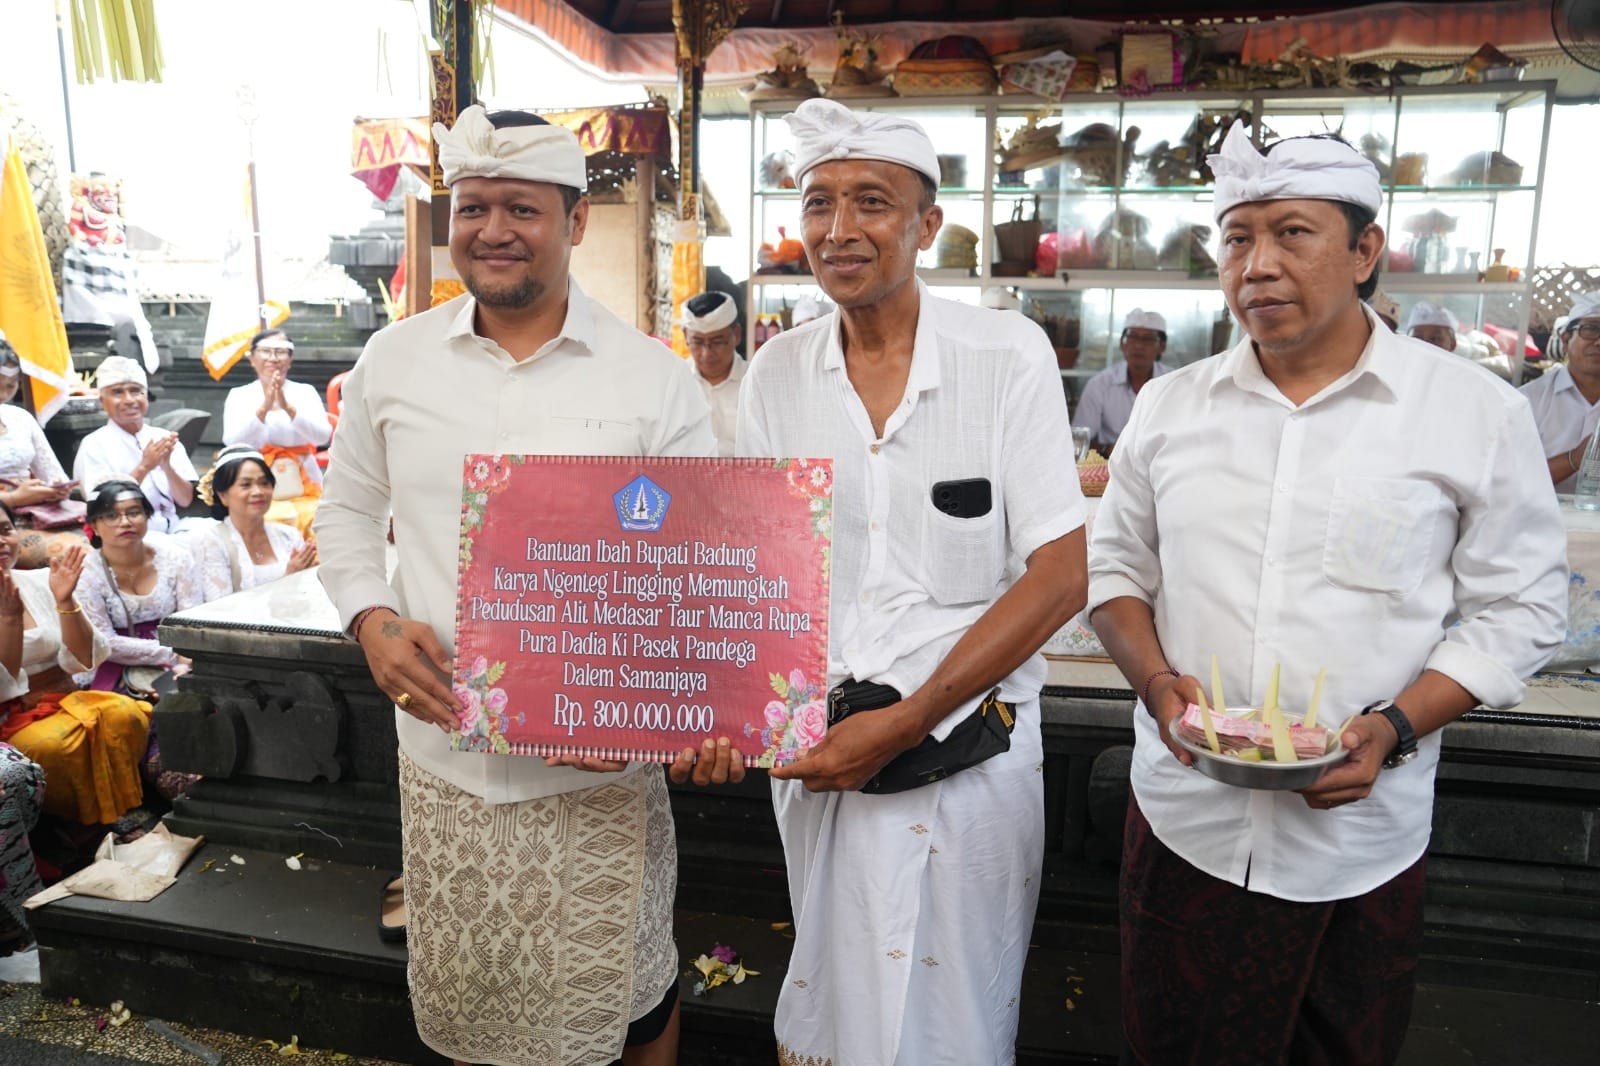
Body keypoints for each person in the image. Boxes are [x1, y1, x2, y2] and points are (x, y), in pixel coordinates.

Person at [1087, 124, 1567, 1065]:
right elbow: (1116, 572)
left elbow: (1524, 606)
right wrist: (1154, 685)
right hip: (1187, 821)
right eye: (1237, 238)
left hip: (1362, 843)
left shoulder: (1472, 412)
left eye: (1293, 234)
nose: (1258, 265)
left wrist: (1395, 725)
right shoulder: (1170, 407)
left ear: (1365, 251)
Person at [315, 105, 738, 1066]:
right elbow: (343, 517)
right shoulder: (395, 360)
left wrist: (685, 714)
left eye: (521, 208)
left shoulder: (652, 379)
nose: (493, 230)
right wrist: (372, 620)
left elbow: (702, 574)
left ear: (575, 221)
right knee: (474, 1014)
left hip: (601, 776)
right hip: (445, 762)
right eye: (471, 208)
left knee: (629, 1000)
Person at [735, 98, 1088, 1066]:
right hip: (822, 740)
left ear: (926, 225)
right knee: (835, 990)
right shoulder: (777, 374)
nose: (838, 229)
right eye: (817, 203)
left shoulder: (1001, 353)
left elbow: (1060, 577)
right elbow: (761, 573)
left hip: (968, 748)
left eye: (871, 202)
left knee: (952, 1010)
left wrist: (908, 716)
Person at [0, 499, 152, 828]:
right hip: (10, 714)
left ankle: (120, 814)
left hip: (66, 696)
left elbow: (84, 659)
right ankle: (82, 828)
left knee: (124, 714)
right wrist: (9, 621)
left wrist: (65, 600)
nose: (2, 541)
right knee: (54, 745)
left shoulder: (43, 580)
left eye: (6, 530)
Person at [72, 480, 205, 693]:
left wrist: (184, 661)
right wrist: (171, 652)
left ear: (147, 516)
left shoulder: (176, 558)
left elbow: (191, 620)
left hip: (183, 656)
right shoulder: (86, 572)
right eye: (112, 516)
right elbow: (105, 641)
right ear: (94, 525)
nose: (125, 522)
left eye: (134, 512)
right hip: (113, 662)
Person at [221, 328, 332, 536]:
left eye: (280, 352)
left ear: (290, 360)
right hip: (255, 475)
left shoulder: (304, 392)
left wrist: (288, 408)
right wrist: (263, 410)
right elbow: (231, 441)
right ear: (252, 359)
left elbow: (322, 436)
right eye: (266, 352)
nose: (273, 358)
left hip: (304, 476)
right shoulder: (239, 395)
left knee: (314, 522)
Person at [72, 356, 197, 535]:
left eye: (135, 391)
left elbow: (185, 500)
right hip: (128, 536)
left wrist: (167, 466)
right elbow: (101, 504)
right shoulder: (93, 445)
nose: (129, 400)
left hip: (174, 529)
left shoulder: (162, 437)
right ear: (102, 402)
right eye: (117, 392)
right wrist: (145, 467)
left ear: (146, 396)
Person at [193, 445, 317, 602]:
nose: (258, 491)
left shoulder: (289, 535)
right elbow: (221, 609)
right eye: (246, 485)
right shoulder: (210, 542)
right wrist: (288, 579)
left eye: (264, 483)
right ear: (223, 495)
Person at [1521, 291, 1600, 493]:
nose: (1599, 342)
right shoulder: (1528, 401)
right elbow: (1509, 477)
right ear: (1566, 341)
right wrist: (1574, 459)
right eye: (1591, 329)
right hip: (1540, 521)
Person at [1074, 308, 1174, 456]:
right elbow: (1078, 439)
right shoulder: (1099, 385)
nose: (1138, 345)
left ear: (1162, 347)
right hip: (1107, 469)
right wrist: (1106, 449)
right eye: (1132, 337)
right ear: (1122, 344)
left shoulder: (1173, 383)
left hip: (1161, 467)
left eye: (1148, 339)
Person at [0, 336, 72, 511]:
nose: (3, 394)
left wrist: (57, 488)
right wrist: (13, 498)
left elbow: (54, 476)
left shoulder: (20, 418)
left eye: (10, 386)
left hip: (32, 512)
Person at [680, 291, 745, 456]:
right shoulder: (676, 383)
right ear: (685, 336)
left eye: (717, 342)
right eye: (697, 342)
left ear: (736, 335)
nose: (706, 353)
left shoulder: (754, 381)